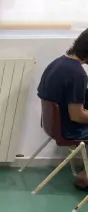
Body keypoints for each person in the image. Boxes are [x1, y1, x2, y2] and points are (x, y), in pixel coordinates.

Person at [38, 28, 88, 189]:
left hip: (53, 124)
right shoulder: (77, 74)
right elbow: (77, 116)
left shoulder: (58, 63)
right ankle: (85, 176)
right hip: (69, 130)